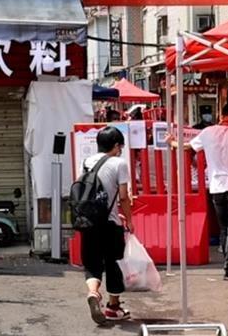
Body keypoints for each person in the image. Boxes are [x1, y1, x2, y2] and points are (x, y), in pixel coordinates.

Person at [177, 100, 228, 280]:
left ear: (221, 115)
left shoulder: (207, 132)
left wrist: (171, 141)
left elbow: (187, 147)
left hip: (216, 187)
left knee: (224, 228)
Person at [80, 125, 134, 323]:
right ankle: (113, 307)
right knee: (113, 263)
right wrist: (129, 220)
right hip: (110, 223)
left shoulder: (87, 162)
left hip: (88, 222)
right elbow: (123, 197)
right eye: (120, 146)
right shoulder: (119, 164)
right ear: (116, 145)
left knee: (92, 263)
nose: (121, 150)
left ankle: (93, 293)